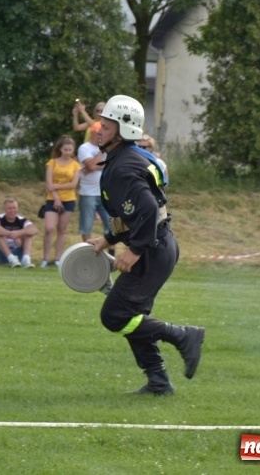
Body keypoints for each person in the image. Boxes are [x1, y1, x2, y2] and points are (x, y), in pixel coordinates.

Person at [88, 94, 204, 396]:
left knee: (115, 316)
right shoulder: (123, 158)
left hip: (151, 249)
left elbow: (149, 210)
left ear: (124, 130)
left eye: (106, 125)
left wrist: (135, 249)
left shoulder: (123, 166)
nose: (98, 129)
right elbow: (137, 213)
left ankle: (183, 336)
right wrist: (109, 239)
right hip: (158, 245)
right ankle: (159, 382)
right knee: (132, 318)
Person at [41, 135, 81, 267]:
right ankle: (45, 258)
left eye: (70, 150)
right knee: (49, 228)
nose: (68, 152)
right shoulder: (52, 163)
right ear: (60, 149)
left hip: (69, 199)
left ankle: (58, 258)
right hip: (52, 199)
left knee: (62, 229)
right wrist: (56, 198)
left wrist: (56, 186)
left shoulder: (75, 165)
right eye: (65, 150)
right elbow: (48, 183)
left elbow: (73, 184)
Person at [77, 122, 111, 247]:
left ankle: (111, 255)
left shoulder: (110, 147)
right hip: (88, 193)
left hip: (105, 192)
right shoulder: (84, 148)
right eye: (98, 133)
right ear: (92, 133)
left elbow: (111, 166)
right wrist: (102, 151)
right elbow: (91, 165)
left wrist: (92, 166)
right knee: (86, 226)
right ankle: (89, 254)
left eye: (102, 133)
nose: (101, 135)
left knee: (111, 225)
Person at [0, 198, 38, 268]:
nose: (12, 211)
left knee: (28, 234)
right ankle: (10, 258)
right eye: (9, 208)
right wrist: (9, 234)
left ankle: (26, 259)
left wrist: (19, 233)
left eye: (14, 208)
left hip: (16, 251)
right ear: (5, 210)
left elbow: (34, 229)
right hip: (0, 252)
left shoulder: (22, 219)